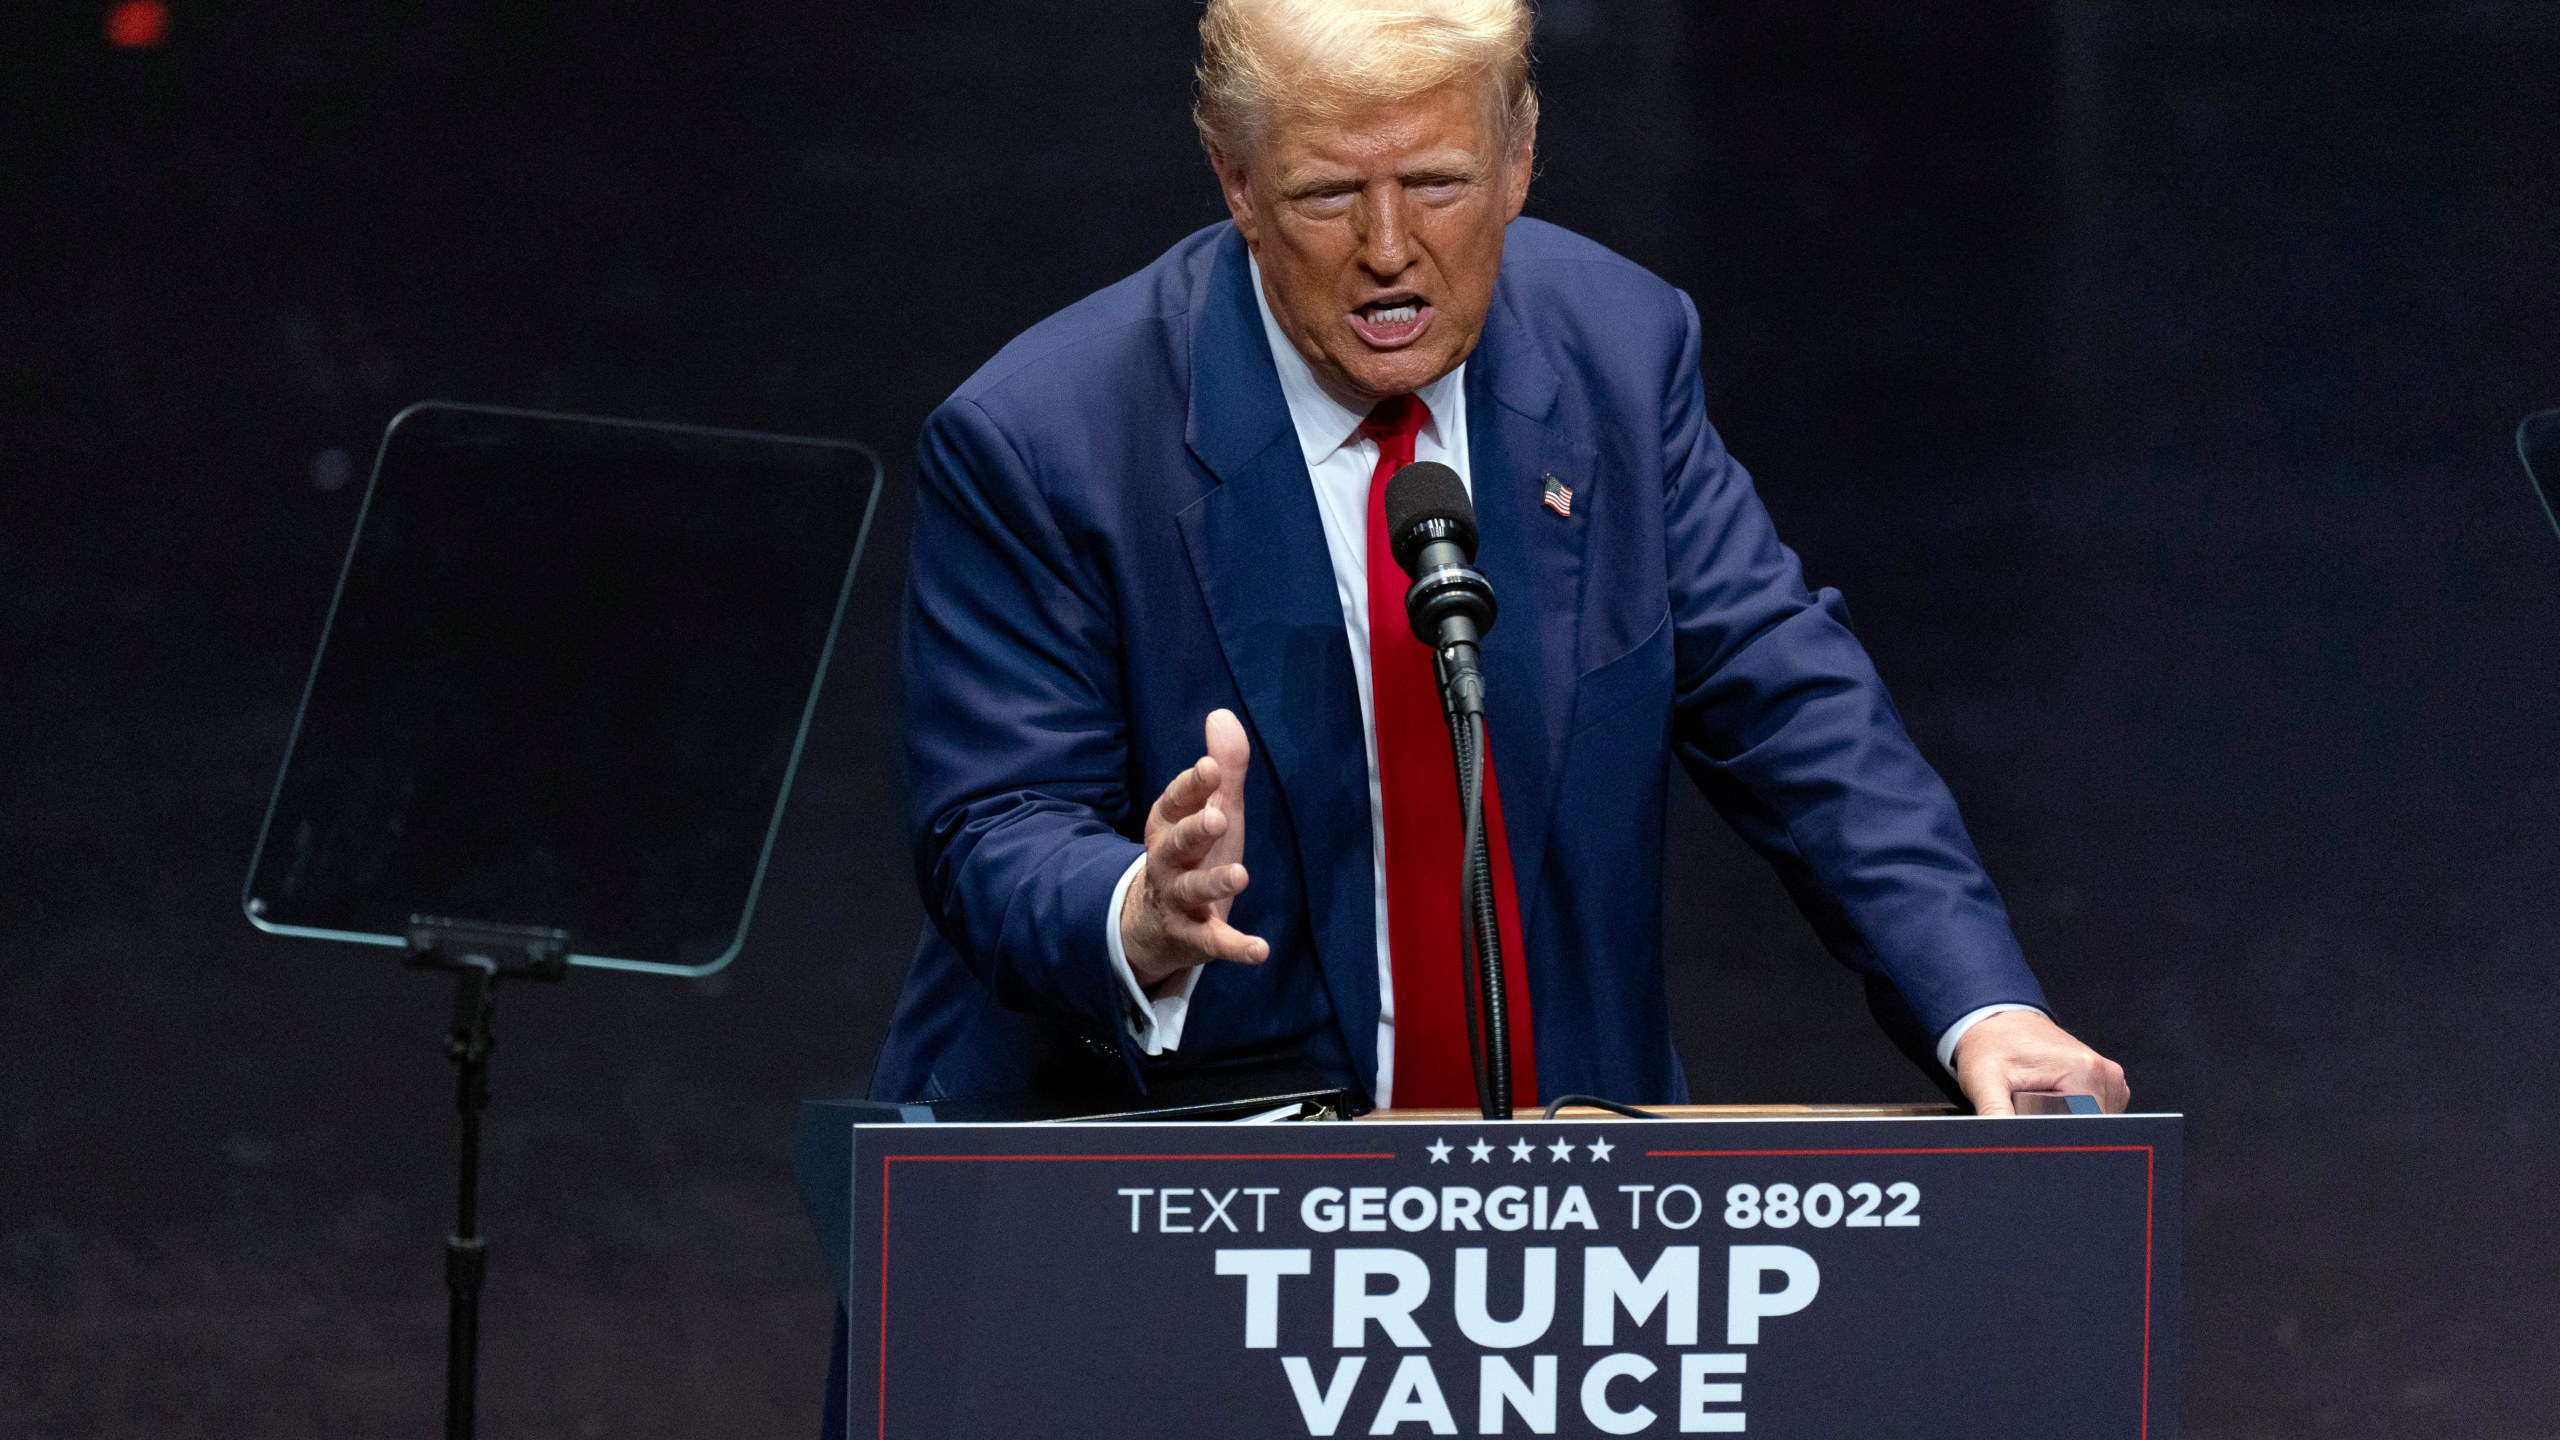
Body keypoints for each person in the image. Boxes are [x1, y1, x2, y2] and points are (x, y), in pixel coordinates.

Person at [871, 0, 2129, 1120]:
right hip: (1162, 1179)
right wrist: (1137, 914)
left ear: (1520, 161)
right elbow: (994, 822)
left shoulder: (1619, 354)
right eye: (1323, 194)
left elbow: (1789, 701)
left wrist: (1982, 1006)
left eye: (1436, 182)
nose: (1386, 246)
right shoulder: (1045, 439)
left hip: (1549, 1196)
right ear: (1235, 184)